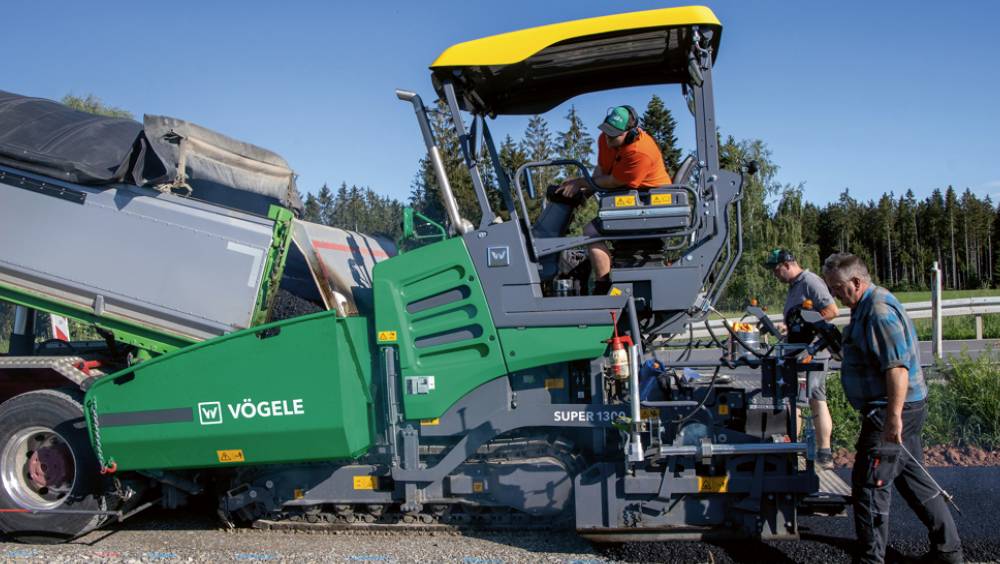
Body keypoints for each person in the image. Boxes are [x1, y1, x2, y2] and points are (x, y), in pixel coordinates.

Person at [821, 252, 963, 564]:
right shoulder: (865, 305)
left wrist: (893, 419)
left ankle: (872, 559)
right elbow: (869, 355)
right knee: (913, 476)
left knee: (871, 484)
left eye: (837, 287)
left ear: (856, 282)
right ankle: (949, 551)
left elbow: (897, 369)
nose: (834, 294)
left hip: (891, 410)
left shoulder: (878, 311)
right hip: (896, 408)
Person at [556, 105, 671, 294]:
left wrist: (580, 182)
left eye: (614, 135)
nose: (608, 138)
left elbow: (613, 180)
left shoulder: (640, 152)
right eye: (606, 132)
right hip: (631, 200)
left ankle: (603, 288)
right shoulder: (605, 138)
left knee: (591, 232)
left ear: (631, 133)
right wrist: (584, 193)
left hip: (651, 204)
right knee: (593, 230)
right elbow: (602, 170)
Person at [766, 248, 839, 470]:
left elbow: (831, 310)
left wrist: (807, 330)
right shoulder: (795, 286)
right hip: (800, 349)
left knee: (808, 398)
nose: (775, 275)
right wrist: (788, 329)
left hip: (813, 351)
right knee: (802, 398)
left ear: (788, 264)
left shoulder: (810, 281)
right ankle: (797, 450)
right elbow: (800, 319)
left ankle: (814, 452)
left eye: (777, 270)